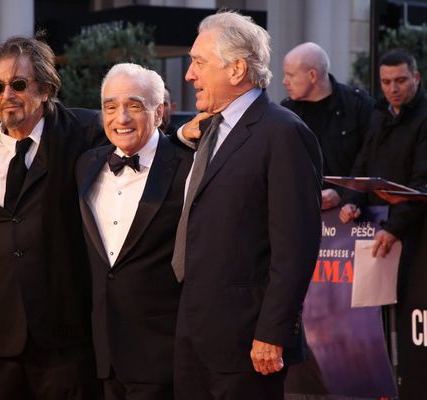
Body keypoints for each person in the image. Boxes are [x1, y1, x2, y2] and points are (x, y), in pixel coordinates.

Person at [0, 36, 106, 399]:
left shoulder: (85, 131)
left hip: (65, 331)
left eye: (18, 84)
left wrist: (182, 136)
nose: (6, 95)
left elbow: (136, 140)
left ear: (44, 89)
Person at [172, 11, 323, 399]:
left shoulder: (284, 133)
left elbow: (296, 247)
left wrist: (272, 333)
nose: (190, 74)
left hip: (248, 340)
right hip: (194, 333)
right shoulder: (210, 127)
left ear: (237, 68)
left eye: (199, 62)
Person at [76, 63, 192, 400]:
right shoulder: (86, 165)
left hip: (163, 353)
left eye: (135, 105)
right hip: (102, 355)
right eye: (110, 107)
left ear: (159, 113)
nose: (121, 118)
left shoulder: (189, 167)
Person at [339, 49, 427, 258]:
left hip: (415, 229)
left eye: (400, 80)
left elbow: (421, 183)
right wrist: (351, 201)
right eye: (386, 82)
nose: (393, 89)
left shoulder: (423, 117)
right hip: (377, 221)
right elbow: (363, 163)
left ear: (416, 77)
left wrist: (393, 227)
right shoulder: (379, 115)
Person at [281, 42, 375, 210]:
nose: (284, 82)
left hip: (353, 213)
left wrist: (342, 193)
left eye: (290, 75)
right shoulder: (287, 112)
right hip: (302, 212)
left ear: (312, 75)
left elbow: (372, 162)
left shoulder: (358, 106)